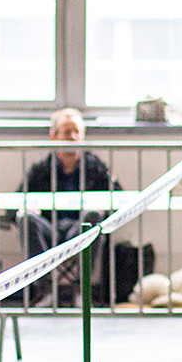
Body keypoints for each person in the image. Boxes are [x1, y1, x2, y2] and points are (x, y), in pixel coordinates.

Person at [15, 109, 121, 303]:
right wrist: (27, 209)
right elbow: (13, 204)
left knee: (93, 216)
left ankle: (82, 289)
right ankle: (46, 289)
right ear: (53, 136)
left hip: (80, 231)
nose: (72, 137)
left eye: (76, 132)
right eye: (66, 132)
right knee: (26, 218)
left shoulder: (96, 169)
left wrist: (102, 209)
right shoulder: (40, 170)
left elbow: (119, 201)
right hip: (49, 230)